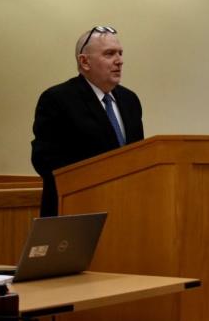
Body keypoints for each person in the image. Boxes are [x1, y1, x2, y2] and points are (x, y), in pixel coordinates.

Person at [31, 26, 144, 216]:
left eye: (120, 53)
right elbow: (45, 160)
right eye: (109, 54)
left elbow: (138, 156)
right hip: (76, 212)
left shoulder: (130, 100)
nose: (119, 61)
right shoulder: (58, 99)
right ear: (84, 62)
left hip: (125, 209)